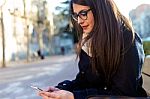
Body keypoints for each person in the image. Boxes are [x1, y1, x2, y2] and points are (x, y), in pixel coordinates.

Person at [38, 0, 148, 98]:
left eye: (83, 13)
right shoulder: (88, 42)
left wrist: (74, 96)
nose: (79, 21)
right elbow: (84, 80)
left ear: (101, 10)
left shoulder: (127, 39)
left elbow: (123, 93)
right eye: (76, 15)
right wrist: (62, 89)